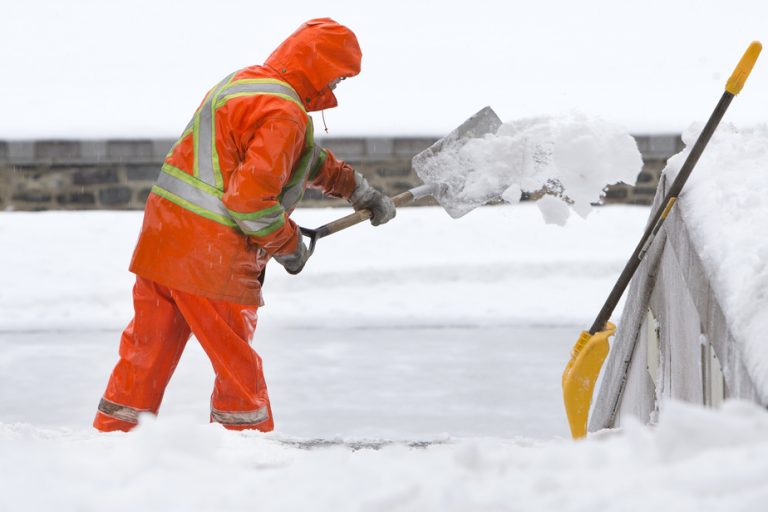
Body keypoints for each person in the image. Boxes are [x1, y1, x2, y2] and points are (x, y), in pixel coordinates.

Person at [93, 18, 395, 433]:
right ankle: (245, 455)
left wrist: (358, 190)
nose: (336, 89)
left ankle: (112, 440)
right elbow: (251, 203)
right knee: (236, 367)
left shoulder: (244, 84)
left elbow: (299, 158)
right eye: (337, 78)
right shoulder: (286, 113)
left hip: (161, 243)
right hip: (209, 258)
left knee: (146, 352)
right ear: (318, 68)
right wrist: (288, 246)